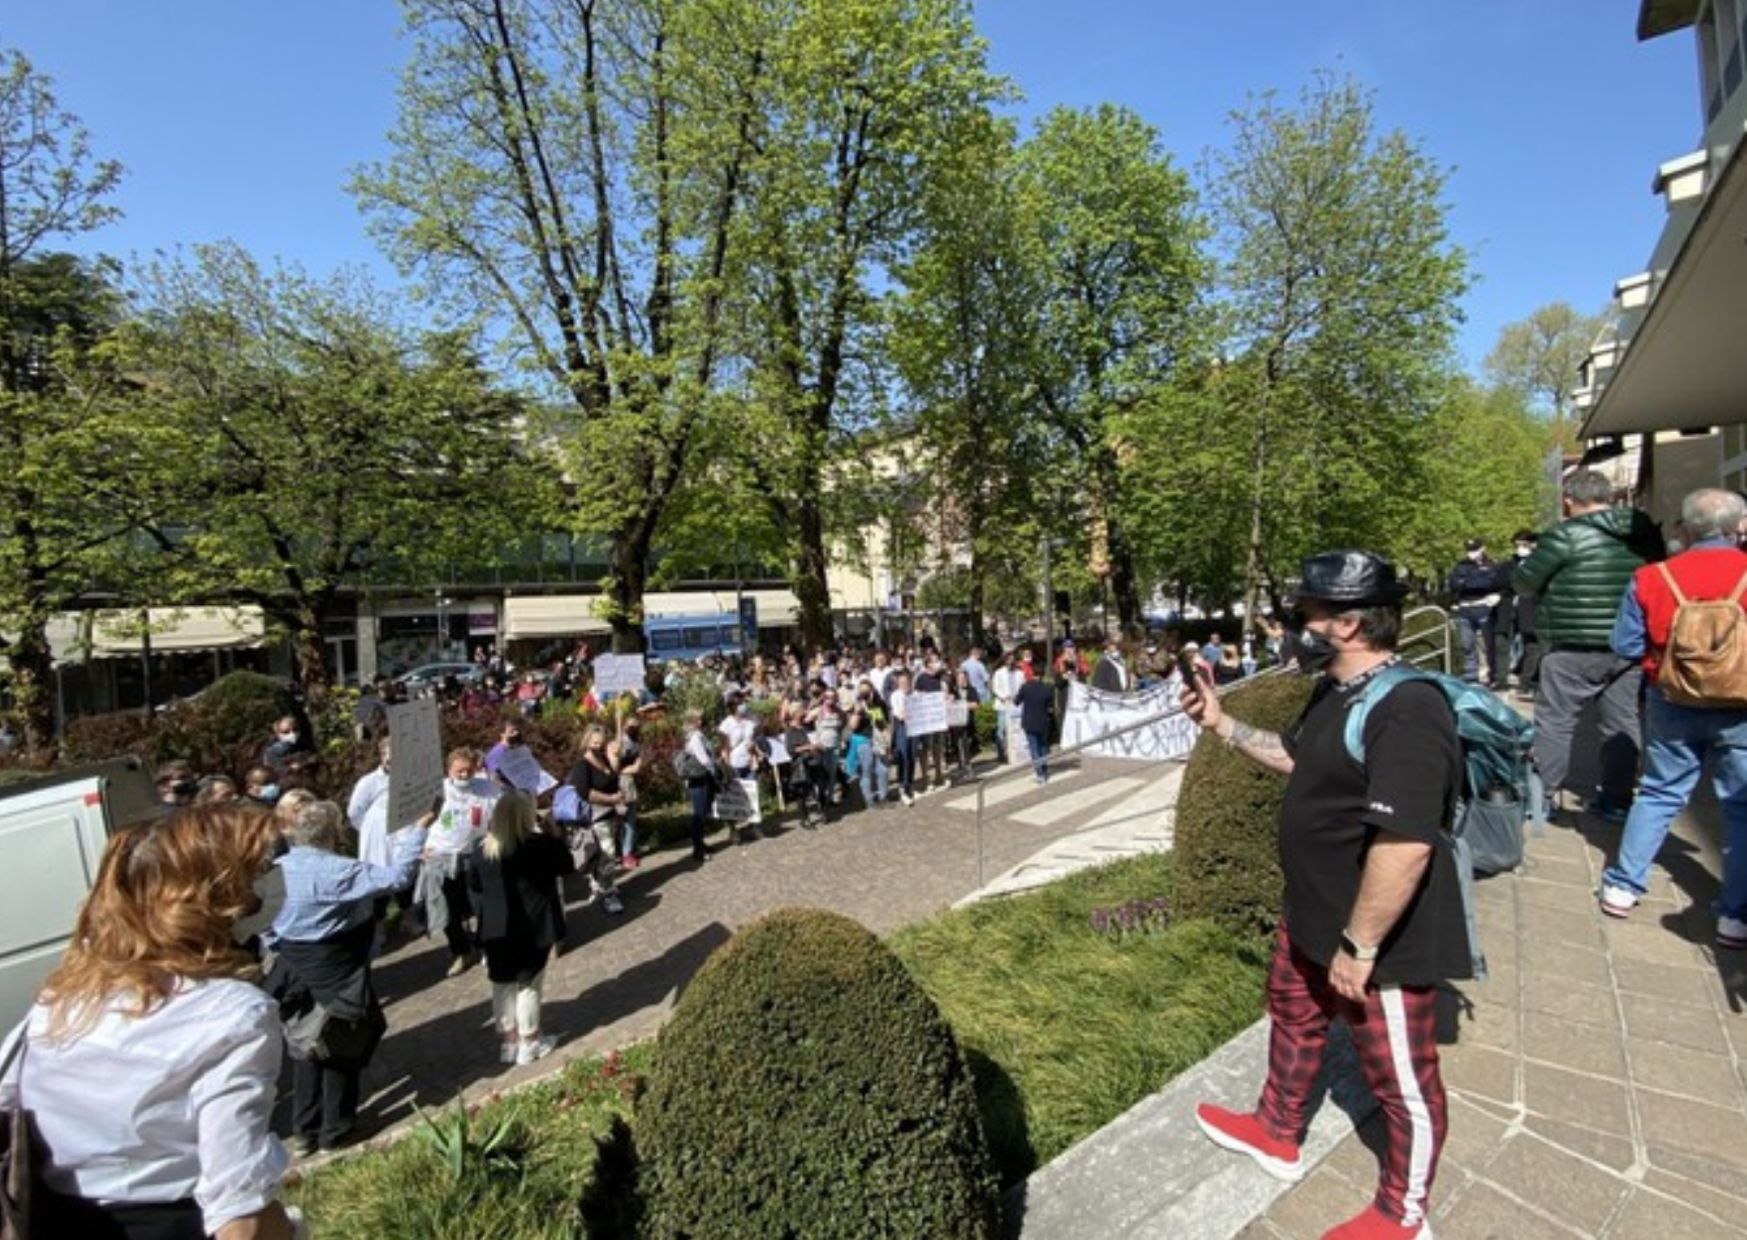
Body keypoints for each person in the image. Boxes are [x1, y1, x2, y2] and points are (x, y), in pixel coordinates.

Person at [1182, 550, 1466, 1240]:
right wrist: (1221, 724)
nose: (1293, 628)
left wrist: (1359, 945)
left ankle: (1403, 1214)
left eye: (1303, 615)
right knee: (1292, 1016)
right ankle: (1277, 1130)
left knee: (1399, 1079)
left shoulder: (1409, 708)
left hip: (1376, 939)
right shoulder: (1337, 691)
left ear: (1346, 624)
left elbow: (1405, 843)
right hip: (1311, 913)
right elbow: (1298, 757)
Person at [1, 804, 299, 1238]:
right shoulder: (232, 1013)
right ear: (216, 896)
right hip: (171, 1221)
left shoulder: (63, 996)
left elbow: (8, 1102)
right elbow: (239, 1210)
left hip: (50, 1217)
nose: (272, 881)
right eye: (258, 872)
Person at [1600, 490, 1747, 943]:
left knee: (1660, 792)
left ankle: (1623, 887)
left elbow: (1625, 645)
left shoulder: (1652, 576)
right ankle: (1735, 917)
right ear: (1738, 526)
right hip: (1741, 705)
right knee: (1740, 806)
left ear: (1686, 526)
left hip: (1672, 698)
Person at [271, 798, 427, 1156]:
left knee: (304, 1045)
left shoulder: (276, 871)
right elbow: (398, 878)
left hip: (293, 966)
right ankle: (335, 1130)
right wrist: (419, 829)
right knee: (341, 1042)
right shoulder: (339, 870)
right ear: (333, 833)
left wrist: (282, 945)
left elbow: (261, 923)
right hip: (337, 966)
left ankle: (304, 1130)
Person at [1512, 469, 1664, 823]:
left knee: (1556, 722)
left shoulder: (1564, 536)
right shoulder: (1641, 532)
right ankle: (1617, 801)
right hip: (1627, 644)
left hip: (1571, 642)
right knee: (1622, 722)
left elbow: (1524, 583)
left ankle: (1542, 798)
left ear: (1569, 501)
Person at [468, 791, 575, 1066]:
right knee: (529, 984)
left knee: (501, 983)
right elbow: (567, 866)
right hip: (533, 925)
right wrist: (553, 833)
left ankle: (509, 1043)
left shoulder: (482, 850)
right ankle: (529, 1042)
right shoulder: (539, 845)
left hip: (495, 928)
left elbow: (475, 885)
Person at [419, 748, 501, 976]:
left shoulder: (488, 789)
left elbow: (499, 817)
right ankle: (460, 952)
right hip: (441, 856)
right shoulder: (436, 791)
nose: (465, 775)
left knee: (481, 905)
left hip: (474, 854)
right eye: (459, 771)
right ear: (449, 770)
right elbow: (417, 821)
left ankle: (488, 947)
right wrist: (419, 847)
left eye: (469, 770)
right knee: (447, 911)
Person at [566, 725, 626, 915]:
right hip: (596, 817)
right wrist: (611, 799)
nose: (598, 747)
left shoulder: (604, 759)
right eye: (595, 743)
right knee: (608, 853)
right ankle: (607, 893)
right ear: (587, 742)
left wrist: (614, 758)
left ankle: (598, 883)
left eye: (601, 743)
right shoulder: (582, 765)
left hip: (612, 814)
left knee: (603, 854)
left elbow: (613, 778)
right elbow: (585, 792)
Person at [1447, 537, 1502, 685]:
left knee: (1488, 644)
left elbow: (1491, 583)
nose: (1471, 553)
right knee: (1467, 644)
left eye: (1475, 550)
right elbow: (1453, 584)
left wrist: (1468, 582)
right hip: (1465, 607)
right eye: (1469, 550)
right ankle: (1471, 675)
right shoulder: (1461, 566)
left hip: (1484, 607)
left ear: (1482, 548)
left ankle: (1493, 674)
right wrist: (1473, 582)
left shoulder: (1491, 565)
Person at [1502, 530, 1541, 698]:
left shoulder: (1539, 562)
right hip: (1522, 611)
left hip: (1535, 610)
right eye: (1517, 545)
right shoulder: (1516, 563)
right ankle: (1526, 681)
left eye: (1524, 545)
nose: (1520, 549)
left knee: (1534, 648)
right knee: (1528, 647)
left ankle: (1528, 682)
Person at [680, 710, 719, 862]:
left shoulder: (699, 735)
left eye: (701, 719)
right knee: (699, 814)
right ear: (693, 721)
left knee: (702, 812)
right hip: (697, 778)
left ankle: (701, 843)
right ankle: (698, 850)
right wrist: (715, 771)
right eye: (698, 719)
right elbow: (704, 759)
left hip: (702, 777)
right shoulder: (695, 737)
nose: (701, 722)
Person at [1014, 668, 1054, 785]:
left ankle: (1039, 774)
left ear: (1032, 675)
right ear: (1042, 676)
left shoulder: (1025, 687)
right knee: (1043, 747)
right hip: (1043, 721)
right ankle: (1044, 770)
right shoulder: (1047, 688)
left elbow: (1016, 702)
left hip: (1029, 721)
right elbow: (1050, 708)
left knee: (1033, 748)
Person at [889, 668, 917, 807]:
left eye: (906, 682)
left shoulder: (916, 694)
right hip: (902, 728)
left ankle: (909, 784)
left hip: (915, 728)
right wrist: (902, 715)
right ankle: (902, 786)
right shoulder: (895, 695)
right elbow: (897, 712)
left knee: (912, 757)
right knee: (903, 757)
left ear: (910, 682)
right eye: (901, 683)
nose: (904, 685)